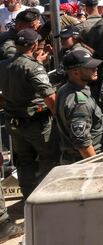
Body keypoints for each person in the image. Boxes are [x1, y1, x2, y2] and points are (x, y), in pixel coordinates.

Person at [0, 28, 59, 198]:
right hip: (36, 122)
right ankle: (48, 198)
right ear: (34, 46)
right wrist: (59, 118)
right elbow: (50, 97)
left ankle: (29, 198)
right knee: (49, 158)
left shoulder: (3, 65)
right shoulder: (33, 67)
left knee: (24, 161)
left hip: (13, 122)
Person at [53, 49, 103, 163]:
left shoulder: (64, 89)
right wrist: (96, 166)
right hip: (84, 161)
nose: (95, 69)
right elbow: (82, 142)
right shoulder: (79, 103)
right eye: (90, 67)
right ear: (75, 72)